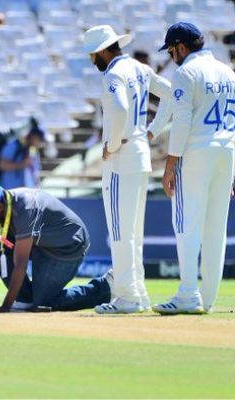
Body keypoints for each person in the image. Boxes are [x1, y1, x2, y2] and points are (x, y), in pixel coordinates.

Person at [83, 25, 173, 314]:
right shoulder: (140, 68)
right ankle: (138, 293)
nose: (92, 61)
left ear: (100, 52)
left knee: (121, 232)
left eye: (92, 56)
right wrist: (151, 132)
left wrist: (111, 143)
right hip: (140, 153)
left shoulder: (113, 73)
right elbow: (171, 95)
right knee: (133, 231)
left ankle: (126, 298)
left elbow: (120, 109)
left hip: (122, 156)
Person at [153, 22, 235, 314]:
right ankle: (208, 297)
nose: (172, 56)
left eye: (172, 50)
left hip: (197, 152)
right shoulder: (228, 71)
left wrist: (170, 163)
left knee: (186, 225)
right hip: (227, 152)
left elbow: (182, 121)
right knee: (216, 228)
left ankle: (188, 294)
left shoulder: (186, 72)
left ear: (182, 47)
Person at [0, 181, 112, 313]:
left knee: (44, 304)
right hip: (41, 245)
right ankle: (24, 299)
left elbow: (20, 263)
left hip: (67, 246)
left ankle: (105, 287)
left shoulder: (25, 207)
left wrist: (6, 306)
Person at [0, 125, 44, 189]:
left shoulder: (32, 151)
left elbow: (35, 172)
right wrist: (22, 164)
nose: (40, 143)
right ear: (33, 137)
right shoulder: (13, 146)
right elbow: (1, 165)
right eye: (39, 140)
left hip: (27, 193)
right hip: (10, 191)